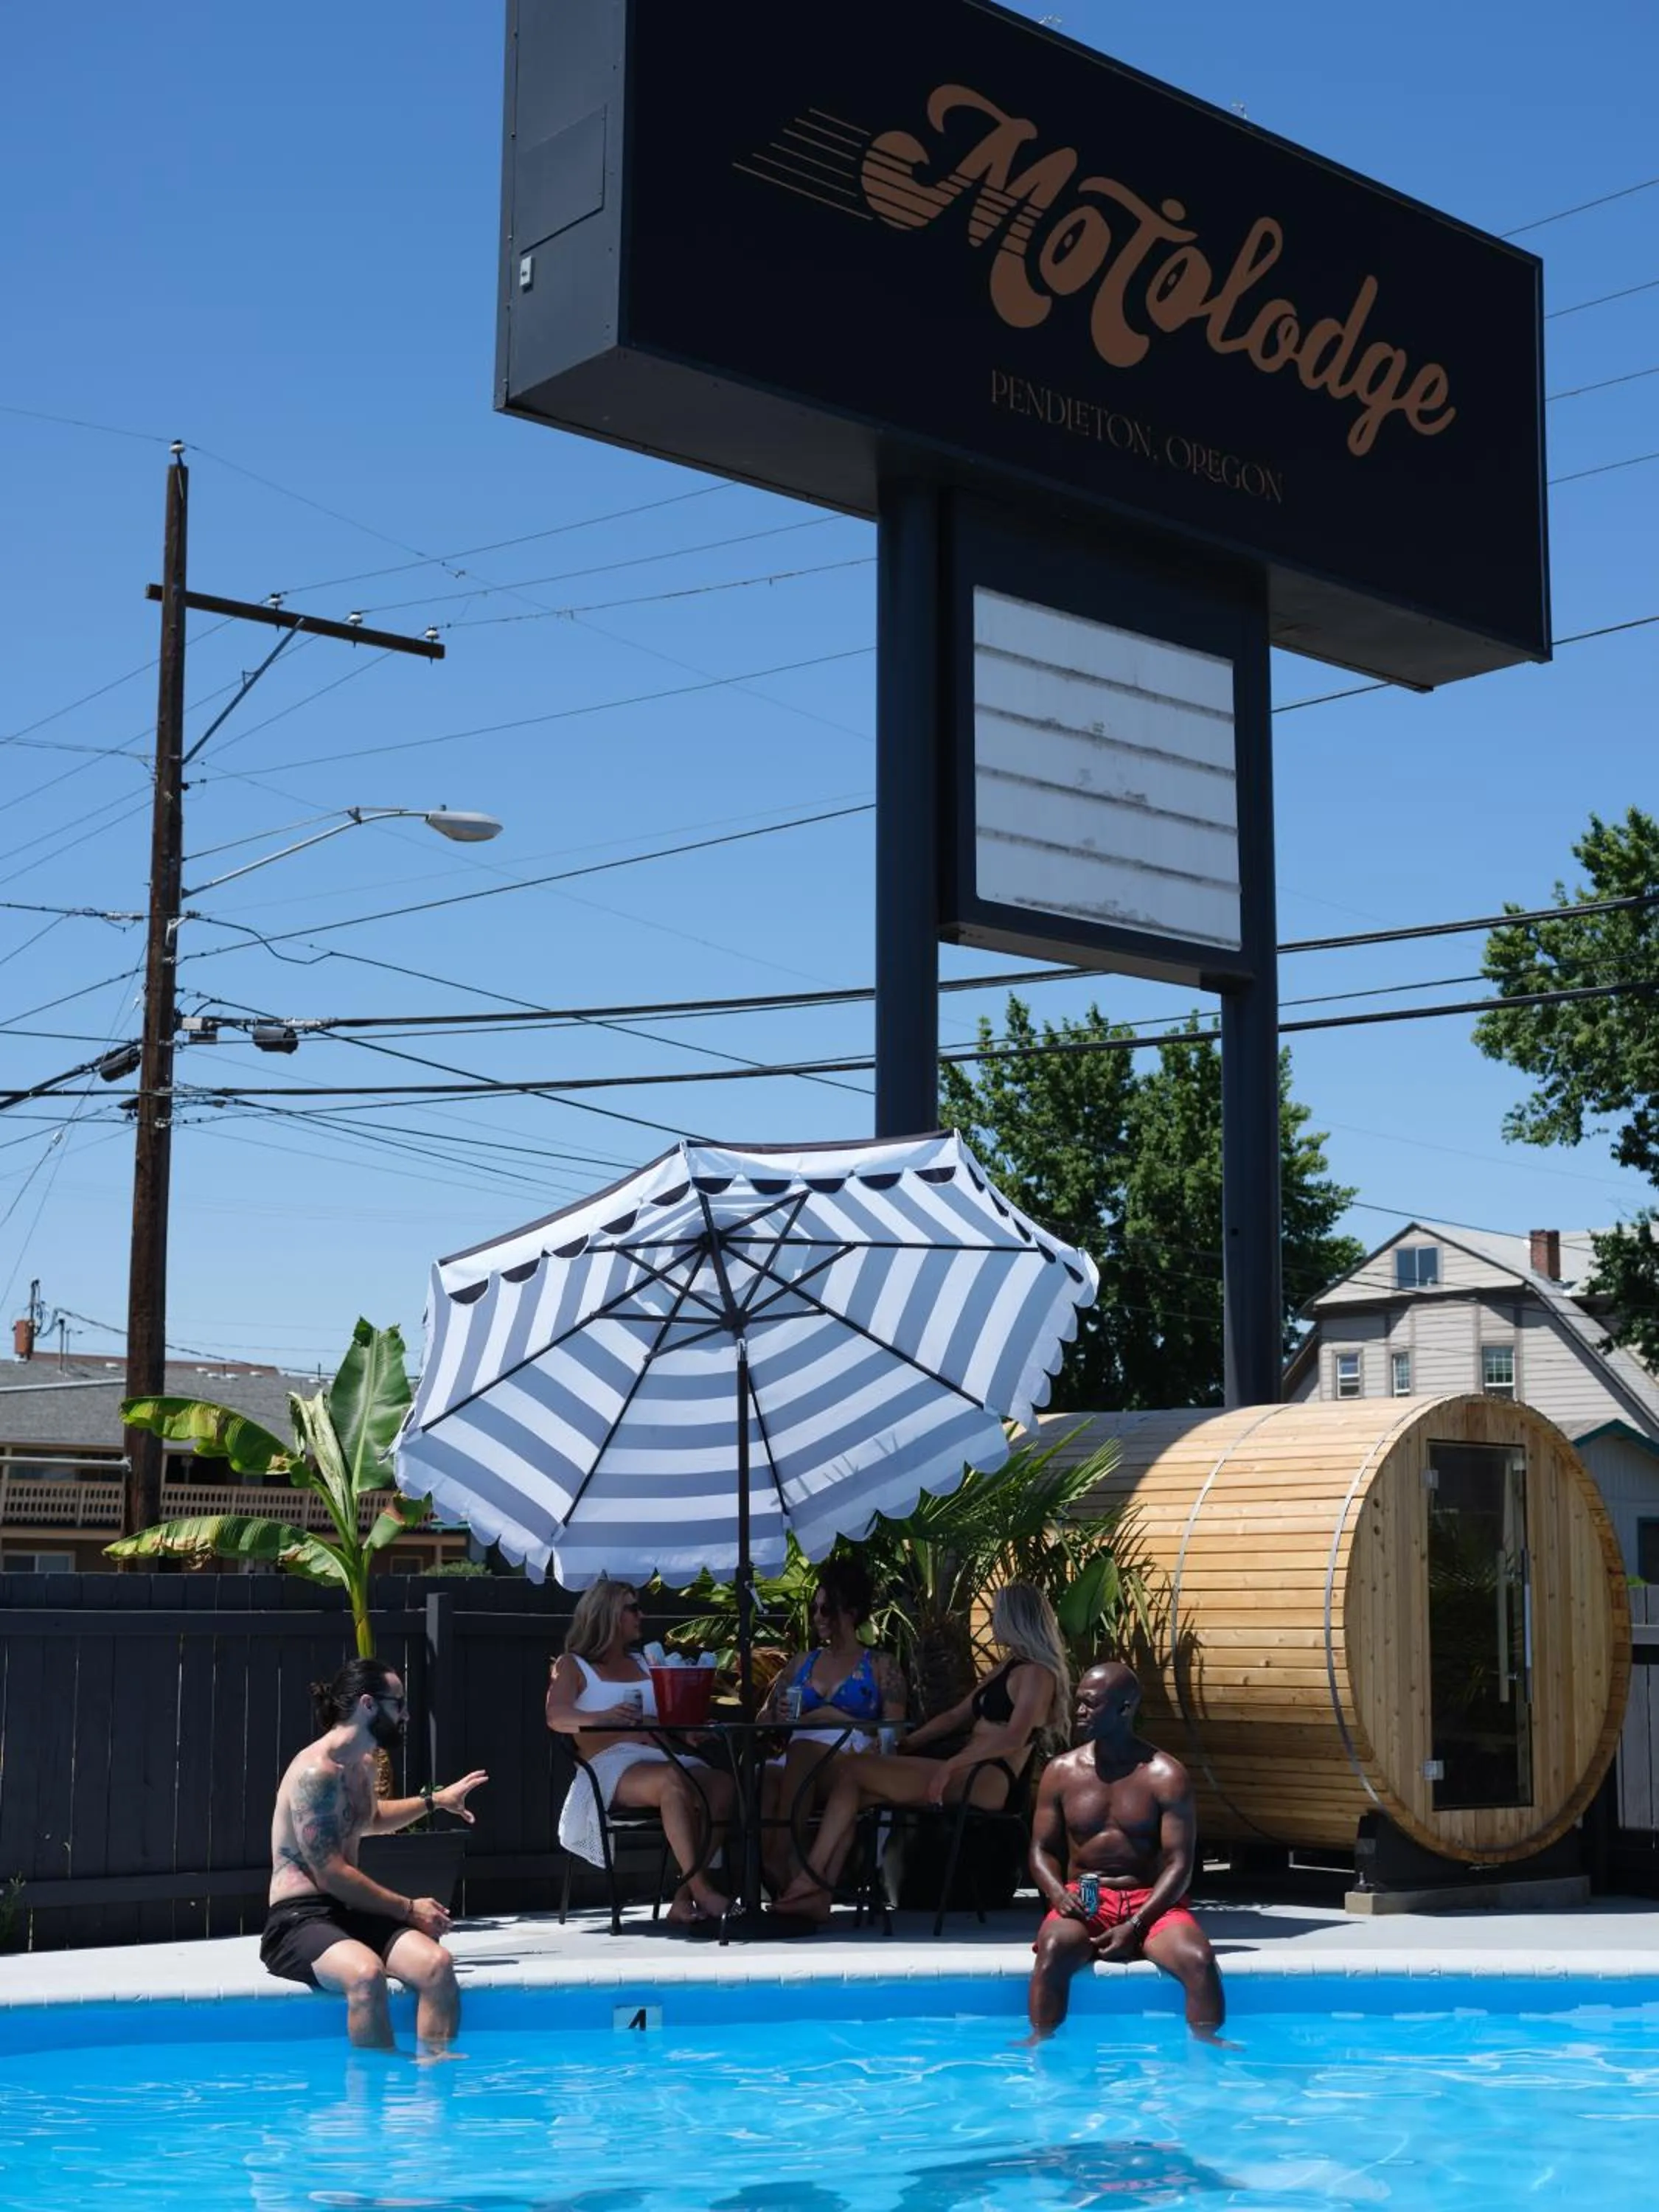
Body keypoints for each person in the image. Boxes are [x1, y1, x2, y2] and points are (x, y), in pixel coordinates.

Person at [772, 1582, 1068, 1922]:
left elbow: (1014, 1737)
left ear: (1016, 1618)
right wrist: (908, 1743)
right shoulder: (1008, 1666)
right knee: (853, 1788)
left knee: (853, 1769)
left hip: (988, 1778)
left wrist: (951, 1764)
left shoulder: (1037, 1674)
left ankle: (808, 1882)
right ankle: (818, 1895)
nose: (991, 1621)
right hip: (968, 1769)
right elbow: (954, 1717)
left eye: (996, 1614)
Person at [261, 1658, 488, 2053]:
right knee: (366, 1976)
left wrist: (435, 1801)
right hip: (298, 1922)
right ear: (368, 1705)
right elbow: (330, 1872)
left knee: (437, 1967)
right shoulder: (316, 1773)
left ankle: (436, 2083)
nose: (406, 1715)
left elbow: (370, 1819)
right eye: (398, 1704)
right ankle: (374, 2090)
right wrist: (408, 1909)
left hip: (347, 1913)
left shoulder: (362, 1765)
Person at [1026, 1660, 1225, 2041]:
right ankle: (1043, 2051)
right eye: (1079, 1701)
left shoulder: (1166, 1775)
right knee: (1052, 1950)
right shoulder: (1061, 1771)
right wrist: (1057, 1894)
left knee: (1199, 1962)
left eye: (1091, 1703)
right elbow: (1041, 1849)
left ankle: (1207, 2057)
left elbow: (1180, 1865)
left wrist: (1136, 1926)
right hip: (1085, 1896)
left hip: (1149, 1899)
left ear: (1124, 1708)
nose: (1079, 1711)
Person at [546, 1576, 737, 1925]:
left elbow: (665, 1717)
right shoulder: (572, 1666)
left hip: (661, 1755)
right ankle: (704, 1892)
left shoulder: (644, 1661)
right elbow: (556, 1716)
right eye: (633, 1608)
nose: (641, 1615)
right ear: (607, 1614)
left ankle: (684, 1897)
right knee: (671, 1781)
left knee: (722, 1785)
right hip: (607, 1766)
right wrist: (602, 1718)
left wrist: (685, 1731)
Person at [757, 1555, 907, 1892]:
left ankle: (783, 1857)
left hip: (851, 1755)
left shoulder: (880, 1664)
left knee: (802, 1751)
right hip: (799, 1758)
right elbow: (762, 1720)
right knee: (765, 1779)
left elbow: (894, 1730)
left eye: (826, 1610)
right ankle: (783, 1877)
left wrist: (835, 1718)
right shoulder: (802, 1663)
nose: (817, 1617)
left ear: (851, 1612)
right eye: (814, 1609)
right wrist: (777, 1716)